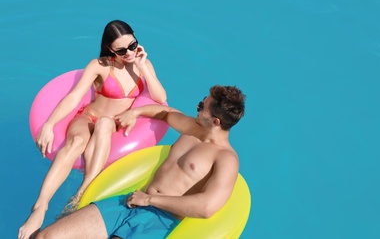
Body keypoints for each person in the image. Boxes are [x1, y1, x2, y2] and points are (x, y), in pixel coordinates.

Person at [33, 85, 246, 239]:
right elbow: (166, 113)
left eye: (202, 106)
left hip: (159, 219)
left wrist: (150, 201)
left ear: (215, 122)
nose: (198, 108)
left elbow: (206, 207)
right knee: (47, 236)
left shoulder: (226, 159)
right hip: (130, 201)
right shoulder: (192, 128)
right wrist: (134, 112)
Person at [18, 20, 167, 239]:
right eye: (122, 50)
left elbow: (161, 98)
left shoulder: (143, 64)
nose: (129, 52)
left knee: (107, 123)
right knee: (76, 142)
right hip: (88, 117)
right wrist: (49, 124)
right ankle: (40, 208)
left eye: (133, 45)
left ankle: (83, 191)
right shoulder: (100, 65)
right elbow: (74, 96)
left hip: (111, 124)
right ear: (109, 49)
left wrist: (143, 66)